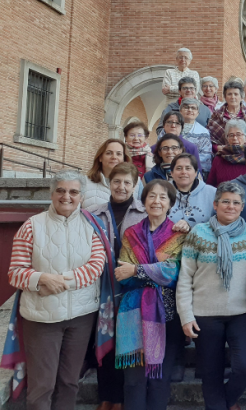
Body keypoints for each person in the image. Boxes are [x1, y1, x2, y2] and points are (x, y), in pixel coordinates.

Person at [8, 170, 105, 410]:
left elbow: (97, 265)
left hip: (81, 317)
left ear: (81, 196)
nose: (66, 196)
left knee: (70, 382)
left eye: (73, 192)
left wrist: (59, 281)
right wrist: (41, 278)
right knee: (42, 385)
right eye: (60, 190)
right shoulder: (32, 226)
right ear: (52, 193)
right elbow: (15, 271)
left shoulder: (91, 225)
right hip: (43, 318)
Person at [177, 181, 246, 410]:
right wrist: (185, 315)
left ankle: (225, 402)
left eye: (236, 203)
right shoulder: (198, 233)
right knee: (210, 373)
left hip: (243, 312)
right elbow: (185, 277)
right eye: (225, 201)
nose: (230, 206)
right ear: (215, 204)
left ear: (242, 206)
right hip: (205, 314)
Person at [114, 179, 185, 410]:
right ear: (143, 201)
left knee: (159, 379)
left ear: (170, 203)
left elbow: (172, 274)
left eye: (163, 197)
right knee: (133, 381)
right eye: (151, 196)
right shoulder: (131, 234)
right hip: (132, 313)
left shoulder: (178, 235)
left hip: (167, 313)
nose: (157, 201)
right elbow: (122, 276)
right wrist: (153, 270)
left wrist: (137, 269)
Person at [87, 162, 147, 410]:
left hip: (132, 289)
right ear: (109, 184)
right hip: (101, 289)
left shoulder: (144, 214)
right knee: (104, 340)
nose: (121, 187)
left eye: (127, 183)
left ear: (135, 186)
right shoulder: (93, 213)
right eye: (116, 182)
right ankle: (106, 396)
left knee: (126, 344)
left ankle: (120, 399)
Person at [84, 138, 139, 209]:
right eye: (109, 153)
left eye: (118, 154)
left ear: (124, 159)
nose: (114, 157)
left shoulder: (137, 182)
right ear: (100, 157)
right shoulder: (85, 182)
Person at [168, 153, 217, 232]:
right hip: (167, 241)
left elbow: (220, 222)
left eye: (188, 168)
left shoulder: (213, 193)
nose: (183, 172)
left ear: (196, 173)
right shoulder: (162, 192)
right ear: (172, 173)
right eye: (179, 168)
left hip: (202, 241)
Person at [207, 79, 246, 154]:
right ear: (225, 97)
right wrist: (217, 148)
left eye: (236, 94)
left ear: (241, 97)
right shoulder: (216, 115)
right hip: (222, 155)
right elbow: (209, 137)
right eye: (229, 94)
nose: (232, 97)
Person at [206, 119, 246, 187]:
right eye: (231, 135)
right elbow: (210, 185)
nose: (235, 138)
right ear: (227, 138)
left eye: (238, 134)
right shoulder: (219, 158)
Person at [179, 98, 214, 176]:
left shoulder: (203, 132)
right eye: (186, 107)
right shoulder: (171, 128)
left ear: (197, 113)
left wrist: (187, 163)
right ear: (180, 111)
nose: (190, 110)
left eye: (193, 108)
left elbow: (206, 155)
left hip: (195, 170)